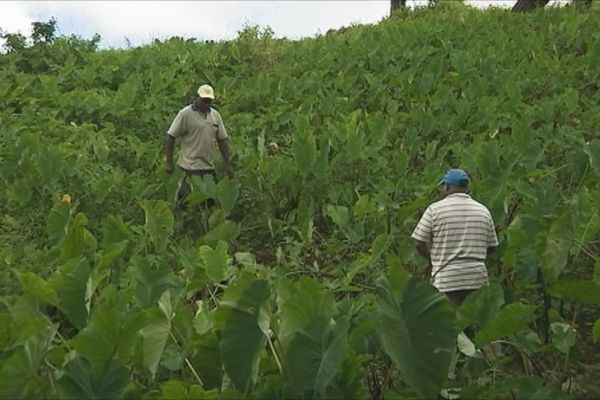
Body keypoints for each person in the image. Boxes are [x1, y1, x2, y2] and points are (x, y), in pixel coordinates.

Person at [411, 168, 498, 307]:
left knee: (450, 325)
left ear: (447, 187)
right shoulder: (483, 211)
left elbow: (418, 243)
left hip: (447, 278)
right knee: (476, 325)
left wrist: (433, 259)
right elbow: (492, 246)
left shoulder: (435, 210)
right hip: (477, 278)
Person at [164, 84, 234, 207]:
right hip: (188, 168)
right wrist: (169, 161)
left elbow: (222, 140)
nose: (206, 104)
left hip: (208, 167)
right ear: (197, 98)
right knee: (185, 203)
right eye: (204, 100)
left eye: (209, 101)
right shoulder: (185, 114)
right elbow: (170, 136)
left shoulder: (215, 116)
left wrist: (228, 164)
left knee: (209, 204)